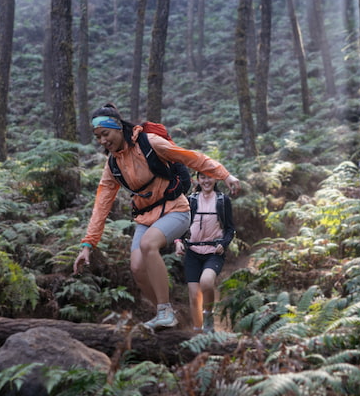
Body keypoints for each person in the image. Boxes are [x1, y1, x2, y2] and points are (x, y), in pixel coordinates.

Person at [73, 103, 240, 330]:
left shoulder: (150, 143)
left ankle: (164, 312)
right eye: (97, 137)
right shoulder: (113, 165)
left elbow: (192, 158)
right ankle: (165, 312)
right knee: (137, 267)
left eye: (105, 134)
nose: (102, 141)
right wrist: (87, 245)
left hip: (176, 210)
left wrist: (225, 175)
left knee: (148, 244)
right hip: (146, 217)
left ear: (118, 127)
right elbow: (101, 205)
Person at [174, 173, 235, 333]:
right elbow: (181, 225)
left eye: (209, 177)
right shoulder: (190, 200)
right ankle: (197, 331)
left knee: (206, 282)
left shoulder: (223, 200)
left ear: (215, 179)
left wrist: (223, 243)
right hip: (193, 252)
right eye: (203, 178)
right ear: (197, 180)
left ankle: (208, 317)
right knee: (194, 295)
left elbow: (230, 229)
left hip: (214, 252)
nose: (206, 181)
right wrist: (178, 242)